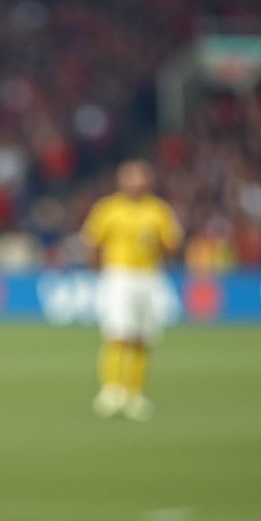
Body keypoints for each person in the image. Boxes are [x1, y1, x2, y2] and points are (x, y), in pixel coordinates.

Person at [81, 159, 181, 420]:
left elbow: (173, 246)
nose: (134, 182)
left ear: (148, 181)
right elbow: (92, 242)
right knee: (117, 333)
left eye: (139, 177)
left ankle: (134, 394)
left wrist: (159, 242)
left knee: (142, 337)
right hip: (119, 275)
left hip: (149, 277)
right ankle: (111, 391)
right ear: (121, 180)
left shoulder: (159, 211)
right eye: (129, 177)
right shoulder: (108, 208)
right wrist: (98, 272)